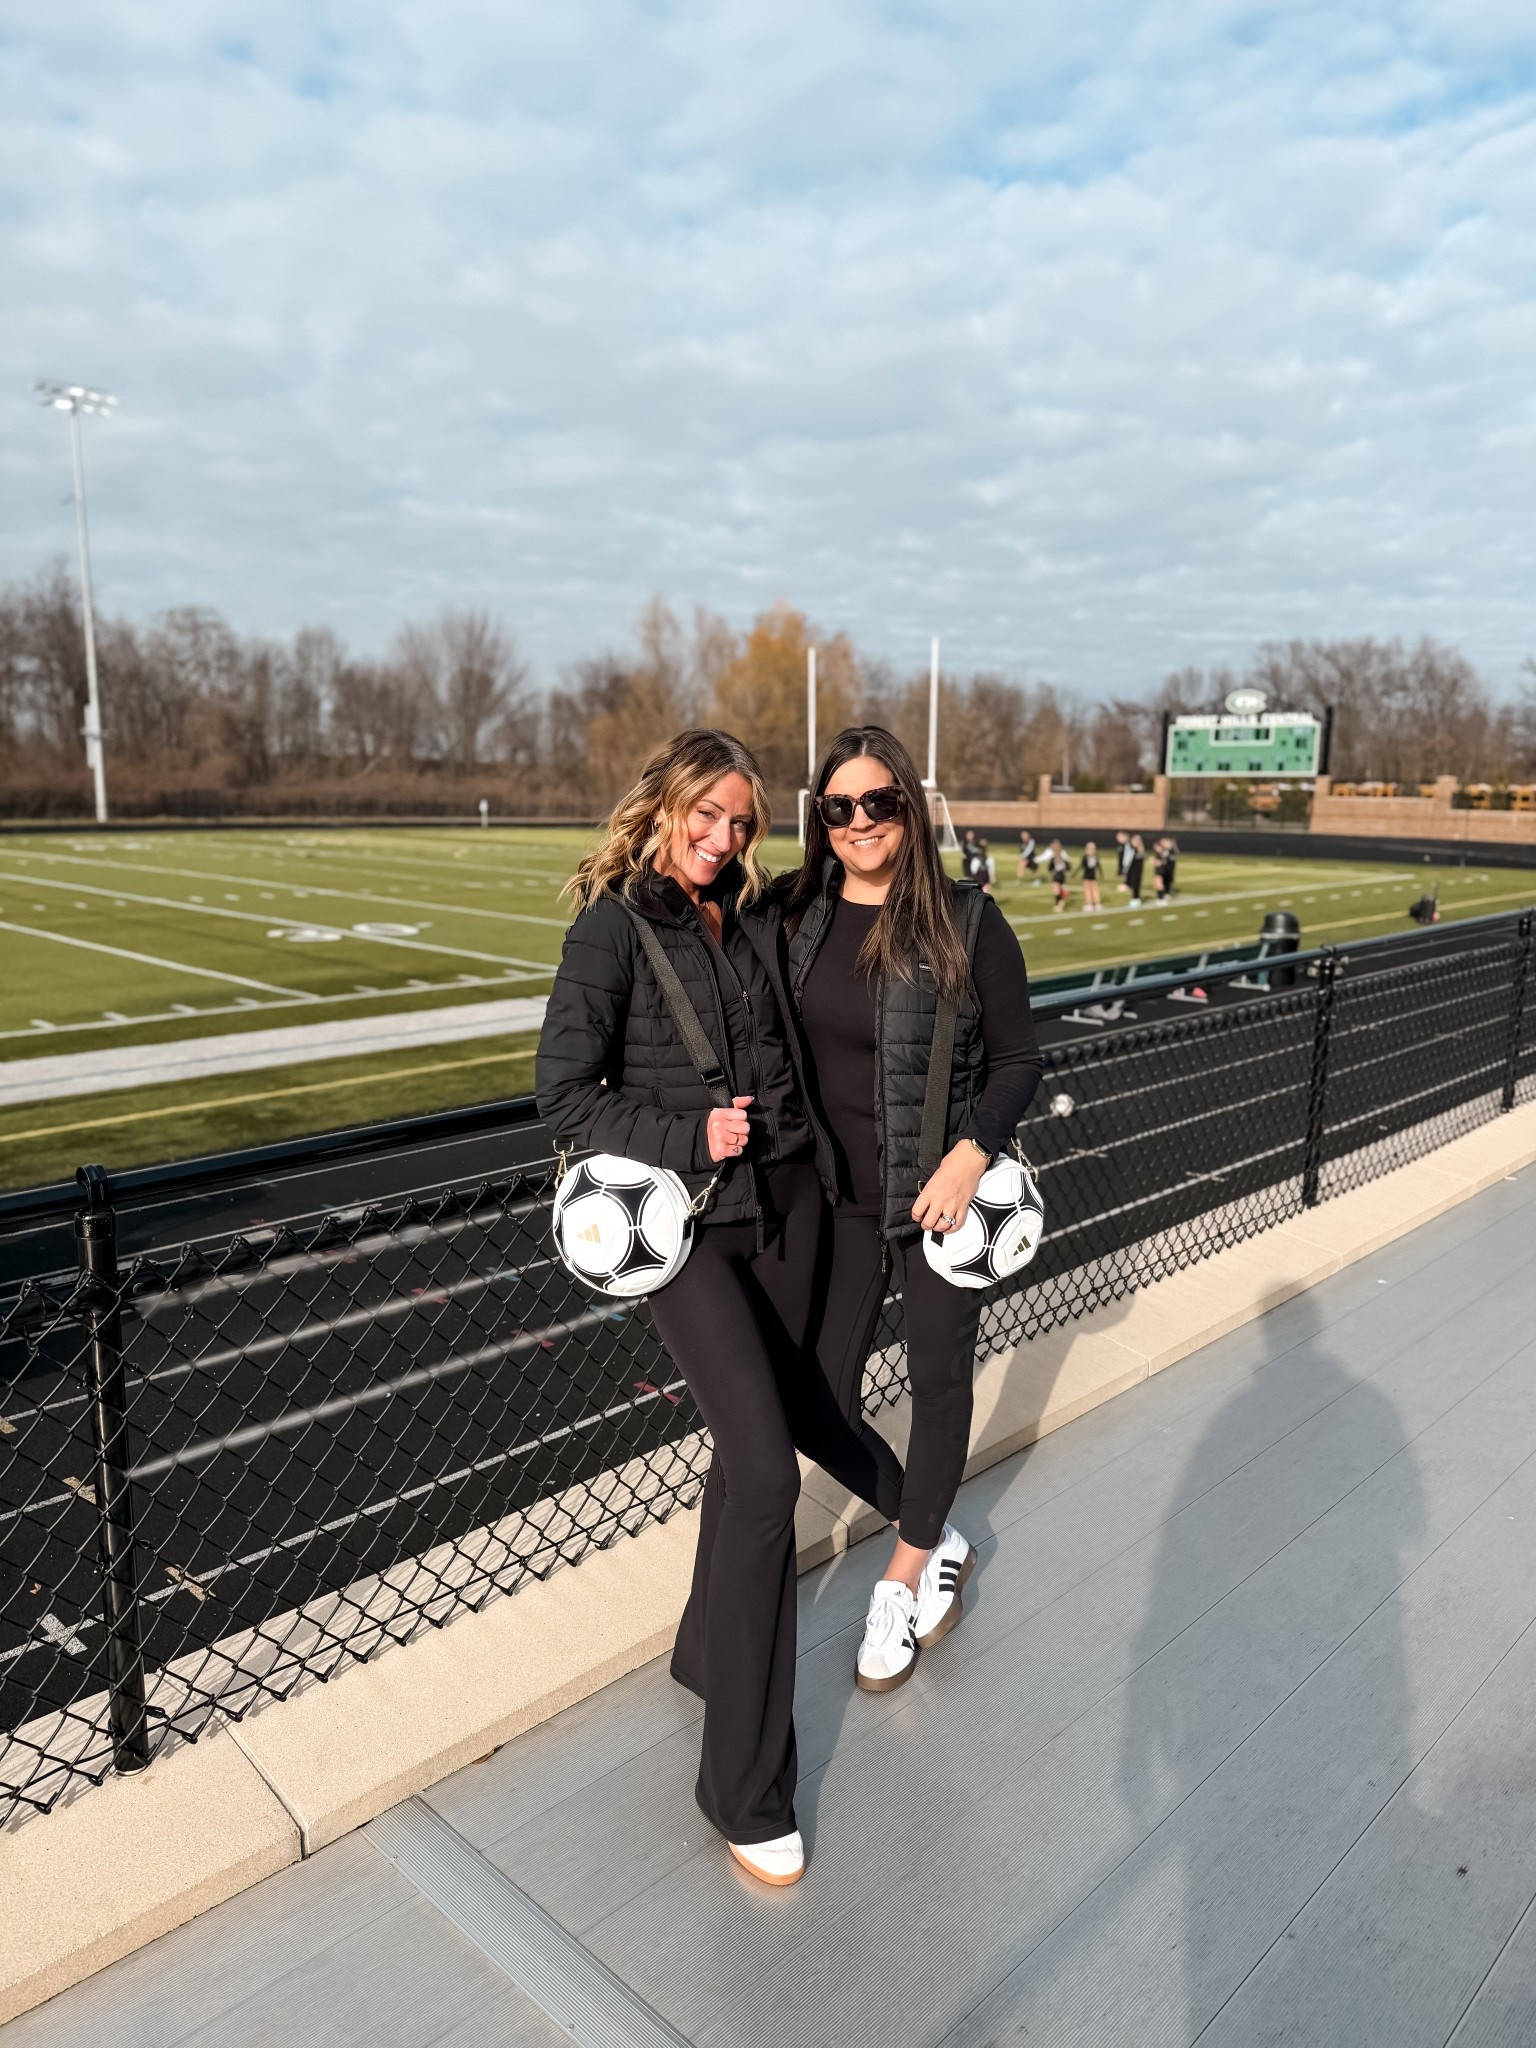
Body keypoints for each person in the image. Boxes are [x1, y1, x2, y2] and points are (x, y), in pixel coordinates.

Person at [535, 728, 902, 1888]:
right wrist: (688, 1134)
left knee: (766, 1443)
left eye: (743, 821)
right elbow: (562, 1093)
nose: (725, 835)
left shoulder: (749, 916)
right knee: (766, 1472)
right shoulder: (610, 926)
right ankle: (744, 1785)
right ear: (665, 804)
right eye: (710, 813)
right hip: (684, 1229)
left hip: (785, 1210)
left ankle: (710, 1647)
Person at [785, 726, 1044, 1693]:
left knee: (938, 1385)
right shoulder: (798, 916)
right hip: (836, 1199)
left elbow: (1019, 1059)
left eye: (879, 802)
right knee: (816, 1397)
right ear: (822, 820)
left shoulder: (968, 921)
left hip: (936, 1200)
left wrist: (971, 1154)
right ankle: (929, 1525)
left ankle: (905, 1575)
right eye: (840, 807)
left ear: (909, 808)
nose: (860, 821)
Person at [1047, 837, 1070, 912]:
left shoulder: (1061, 855)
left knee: (1056, 890)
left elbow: (1067, 865)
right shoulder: (1055, 856)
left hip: (1059, 875)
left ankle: (1058, 905)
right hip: (1059, 874)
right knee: (1059, 889)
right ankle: (1060, 904)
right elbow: (1050, 866)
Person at [1080, 839, 1102, 911]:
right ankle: (1091, 903)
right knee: (1089, 890)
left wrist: (1101, 875)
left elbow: (1098, 867)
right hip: (1088, 876)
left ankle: (1094, 903)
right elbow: (1081, 866)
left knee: (1092, 890)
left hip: (1091, 876)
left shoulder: (1093, 858)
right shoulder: (1090, 858)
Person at [1125, 833, 1146, 909]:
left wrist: (1139, 845)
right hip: (1130, 870)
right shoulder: (1130, 849)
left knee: (1136, 884)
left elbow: (1141, 856)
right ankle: (1134, 898)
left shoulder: (1139, 850)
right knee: (1131, 884)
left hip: (1137, 870)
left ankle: (1136, 898)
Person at [1115, 829, 1134, 895]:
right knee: (1125, 875)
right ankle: (1127, 884)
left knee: (1129, 874)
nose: (1117, 838)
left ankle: (1128, 885)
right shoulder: (1122, 846)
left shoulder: (1130, 845)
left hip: (1129, 864)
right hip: (1125, 865)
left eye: (1119, 837)